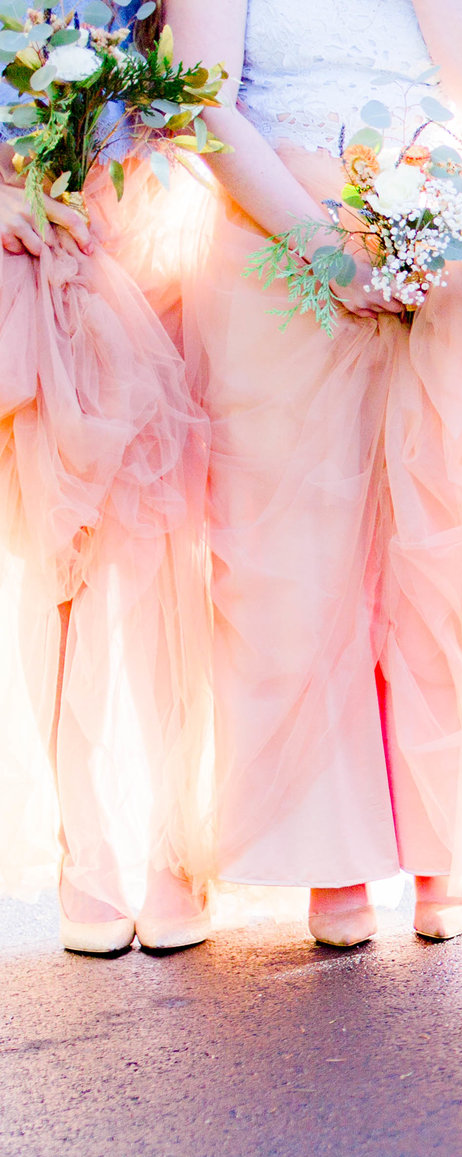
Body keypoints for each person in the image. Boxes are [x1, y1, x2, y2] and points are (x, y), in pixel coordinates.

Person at [169, 0, 462, 948]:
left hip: (430, 259)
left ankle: (439, 844)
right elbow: (205, 106)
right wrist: (320, 248)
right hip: (277, 258)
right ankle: (332, 850)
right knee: (298, 556)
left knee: (434, 544)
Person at [0, 17, 216, 956]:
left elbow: (205, 71)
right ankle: (82, 849)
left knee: (170, 544)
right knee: (62, 555)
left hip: (147, 238)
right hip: (31, 250)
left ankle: (178, 844)